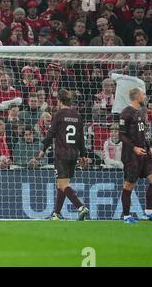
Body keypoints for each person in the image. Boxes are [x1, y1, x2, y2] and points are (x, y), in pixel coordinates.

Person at [38, 89, 90, 221]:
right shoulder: (77, 116)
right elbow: (81, 139)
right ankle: (56, 214)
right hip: (73, 154)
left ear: (59, 101)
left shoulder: (59, 114)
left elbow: (51, 134)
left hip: (61, 154)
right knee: (61, 184)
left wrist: (43, 149)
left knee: (63, 185)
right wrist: (83, 155)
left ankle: (80, 207)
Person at [119, 89, 152, 224]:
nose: (145, 97)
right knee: (129, 185)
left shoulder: (142, 112)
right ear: (137, 96)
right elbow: (121, 135)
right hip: (131, 156)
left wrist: (149, 148)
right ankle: (126, 216)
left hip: (144, 154)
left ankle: (149, 212)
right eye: (143, 94)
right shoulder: (126, 112)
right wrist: (134, 148)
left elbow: (142, 134)